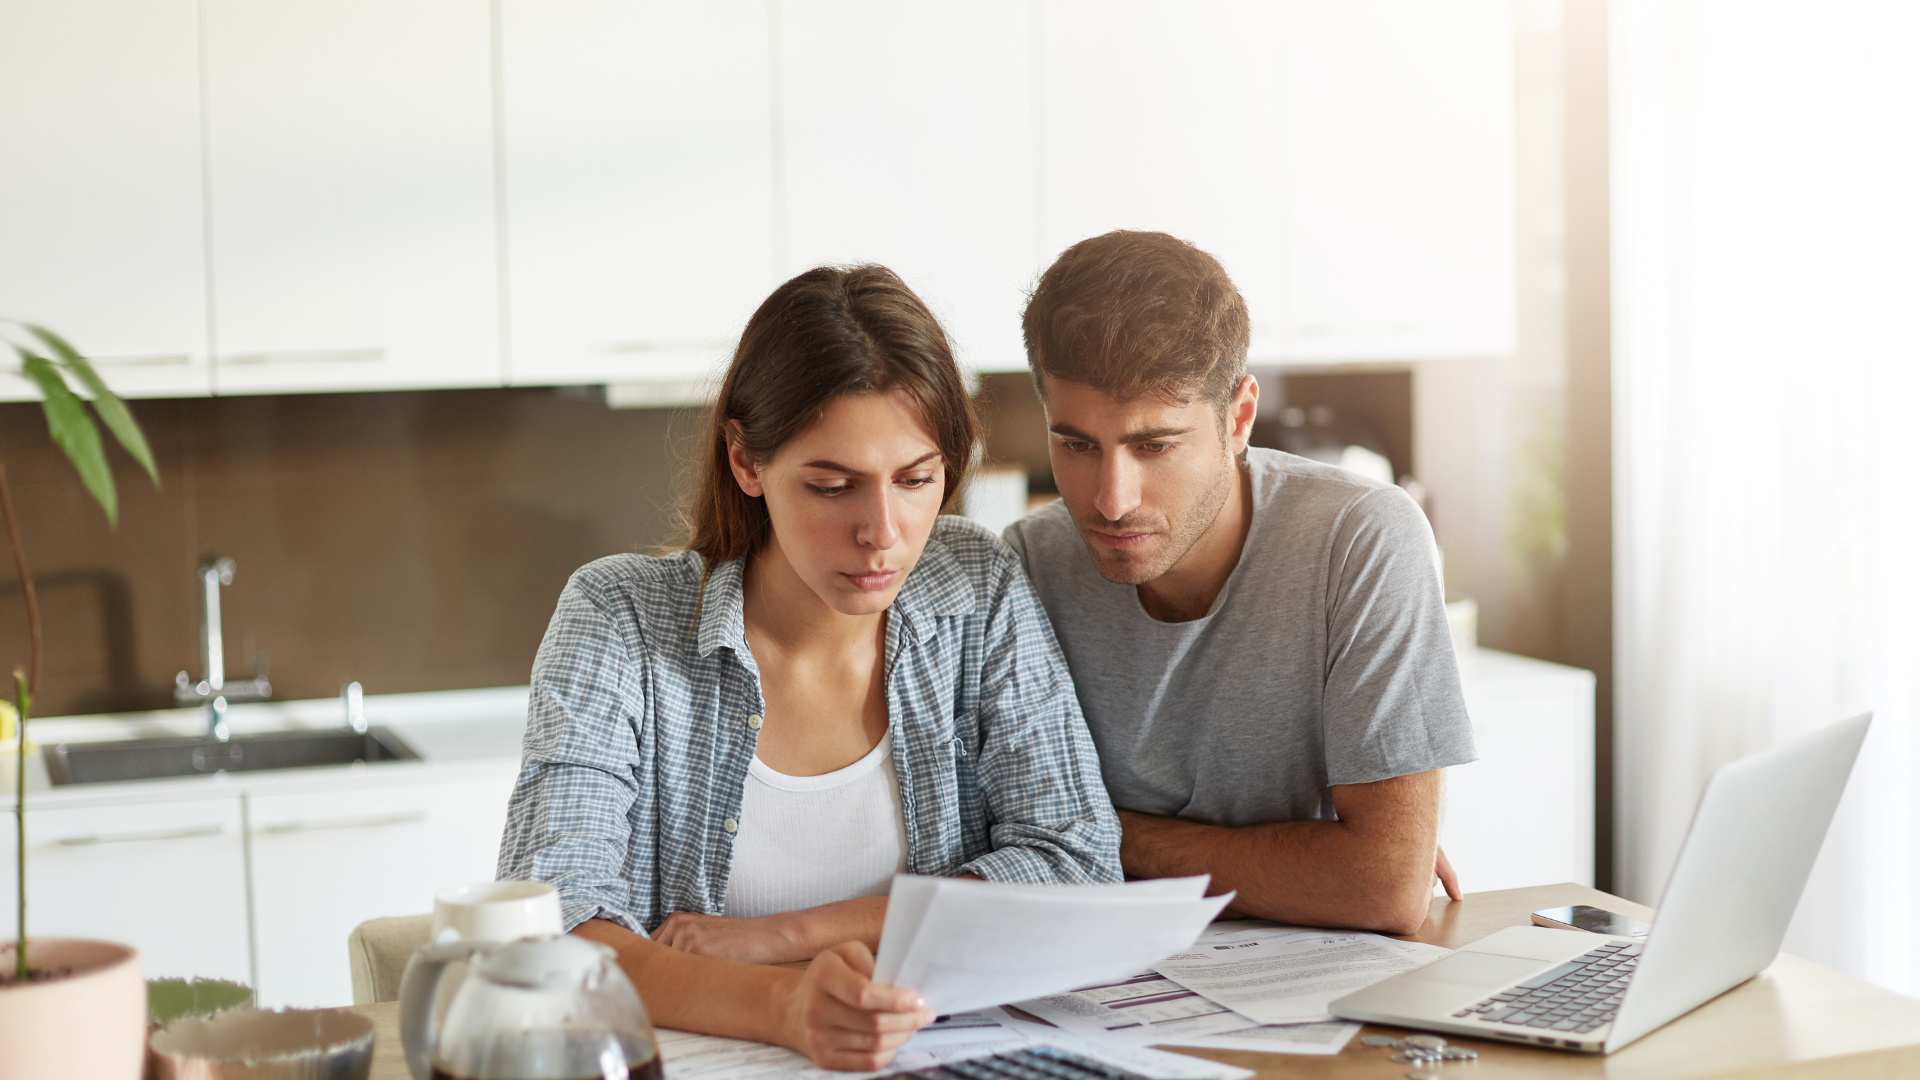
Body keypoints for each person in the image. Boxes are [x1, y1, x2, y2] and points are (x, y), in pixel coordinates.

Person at [497, 265, 1120, 1070]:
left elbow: (1075, 863)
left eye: (917, 480)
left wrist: (787, 936)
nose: (884, 534)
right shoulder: (619, 618)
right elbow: (553, 920)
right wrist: (786, 1006)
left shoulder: (975, 586)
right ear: (746, 462)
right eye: (833, 486)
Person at [1003, 230, 1476, 937]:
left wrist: (1094, 837)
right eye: (1076, 445)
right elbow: (987, 842)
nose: (1109, 499)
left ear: (1238, 418)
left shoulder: (1360, 538)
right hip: (1103, 982)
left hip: (1319, 986)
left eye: (1154, 445)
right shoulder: (1028, 564)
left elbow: (1381, 888)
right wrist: (1301, 865)